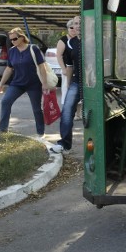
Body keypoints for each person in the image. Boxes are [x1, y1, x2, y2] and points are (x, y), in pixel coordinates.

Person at [0, 28, 52, 139]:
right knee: (5, 102)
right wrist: (1, 84)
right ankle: (2, 131)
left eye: (15, 39)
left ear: (22, 37)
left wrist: (44, 84)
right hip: (17, 83)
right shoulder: (12, 51)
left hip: (34, 84)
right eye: (11, 39)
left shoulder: (33, 49)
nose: (13, 41)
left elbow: (42, 67)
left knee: (36, 109)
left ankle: (40, 133)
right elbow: (9, 68)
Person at [50, 22, 81, 154]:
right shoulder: (70, 42)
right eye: (74, 23)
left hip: (93, 83)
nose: (77, 26)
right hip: (77, 82)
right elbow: (69, 66)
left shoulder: (93, 39)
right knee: (67, 111)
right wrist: (68, 85)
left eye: (79, 23)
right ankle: (64, 144)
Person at [56, 17, 80, 105]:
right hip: (68, 69)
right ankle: (67, 108)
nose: (73, 29)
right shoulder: (63, 40)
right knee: (67, 90)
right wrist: (63, 69)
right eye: (71, 27)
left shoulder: (80, 40)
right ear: (68, 28)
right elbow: (58, 55)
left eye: (75, 27)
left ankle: (78, 113)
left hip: (78, 70)